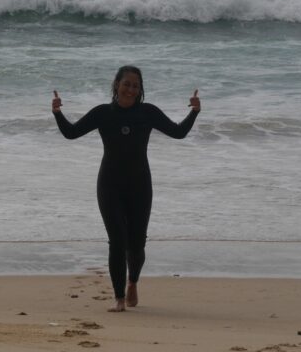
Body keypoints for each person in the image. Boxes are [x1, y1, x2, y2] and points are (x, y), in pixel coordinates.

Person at [52, 65, 200, 312]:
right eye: (127, 84)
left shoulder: (148, 112)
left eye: (135, 85)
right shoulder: (103, 113)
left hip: (140, 185)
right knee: (117, 241)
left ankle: (133, 281)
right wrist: (57, 112)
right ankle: (119, 298)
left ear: (140, 89)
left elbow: (178, 132)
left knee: (137, 244)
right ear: (116, 85)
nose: (131, 89)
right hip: (109, 184)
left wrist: (194, 111)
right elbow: (71, 133)